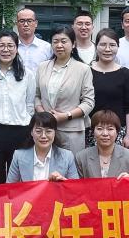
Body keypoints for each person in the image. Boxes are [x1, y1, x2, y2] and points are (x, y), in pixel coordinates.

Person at [0, 31, 36, 183]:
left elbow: (30, 104)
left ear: (16, 49)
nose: (6, 50)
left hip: (20, 132)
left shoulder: (27, 75)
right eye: (1, 46)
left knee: (17, 178)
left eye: (10, 46)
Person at [34, 24, 94, 152]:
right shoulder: (42, 67)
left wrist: (66, 115)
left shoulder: (83, 69)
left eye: (63, 41)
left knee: (71, 164)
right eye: (55, 41)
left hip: (71, 130)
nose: (59, 45)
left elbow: (89, 102)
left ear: (73, 44)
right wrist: (43, 113)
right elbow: (37, 95)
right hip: (45, 129)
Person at [87, 28, 129, 148]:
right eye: (103, 44)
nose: (107, 49)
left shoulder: (125, 74)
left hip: (118, 133)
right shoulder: (86, 71)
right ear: (96, 46)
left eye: (112, 45)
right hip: (91, 132)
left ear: (118, 47)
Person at [6, 112, 79, 182]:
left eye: (48, 131)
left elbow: (75, 187)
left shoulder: (67, 156)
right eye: (38, 131)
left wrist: (63, 181)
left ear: (55, 132)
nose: (43, 136)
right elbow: (10, 187)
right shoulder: (19, 156)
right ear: (31, 132)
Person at [74, 110, 129, 179]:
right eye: (99, 129)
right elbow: (77, 185)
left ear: (117, 132)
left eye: (110, 129)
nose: (105, 133)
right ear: (93, 132)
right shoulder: (81, 158)